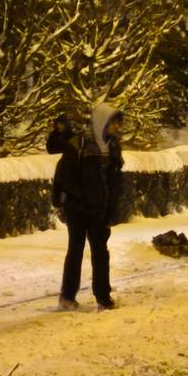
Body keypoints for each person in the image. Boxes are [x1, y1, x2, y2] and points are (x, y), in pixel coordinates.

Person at [52, 104, 124, 311]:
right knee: (76, 250)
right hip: (78, 208)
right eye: (114, 121)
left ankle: (103, 296)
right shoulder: (80, 144)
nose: (117, 126)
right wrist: (79, 198)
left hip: (99, 209)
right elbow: (64, 175)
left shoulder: (113, 147)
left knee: (101, 252)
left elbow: (114, 181)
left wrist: (111, 207)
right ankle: (67, 296)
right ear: (103, 121)